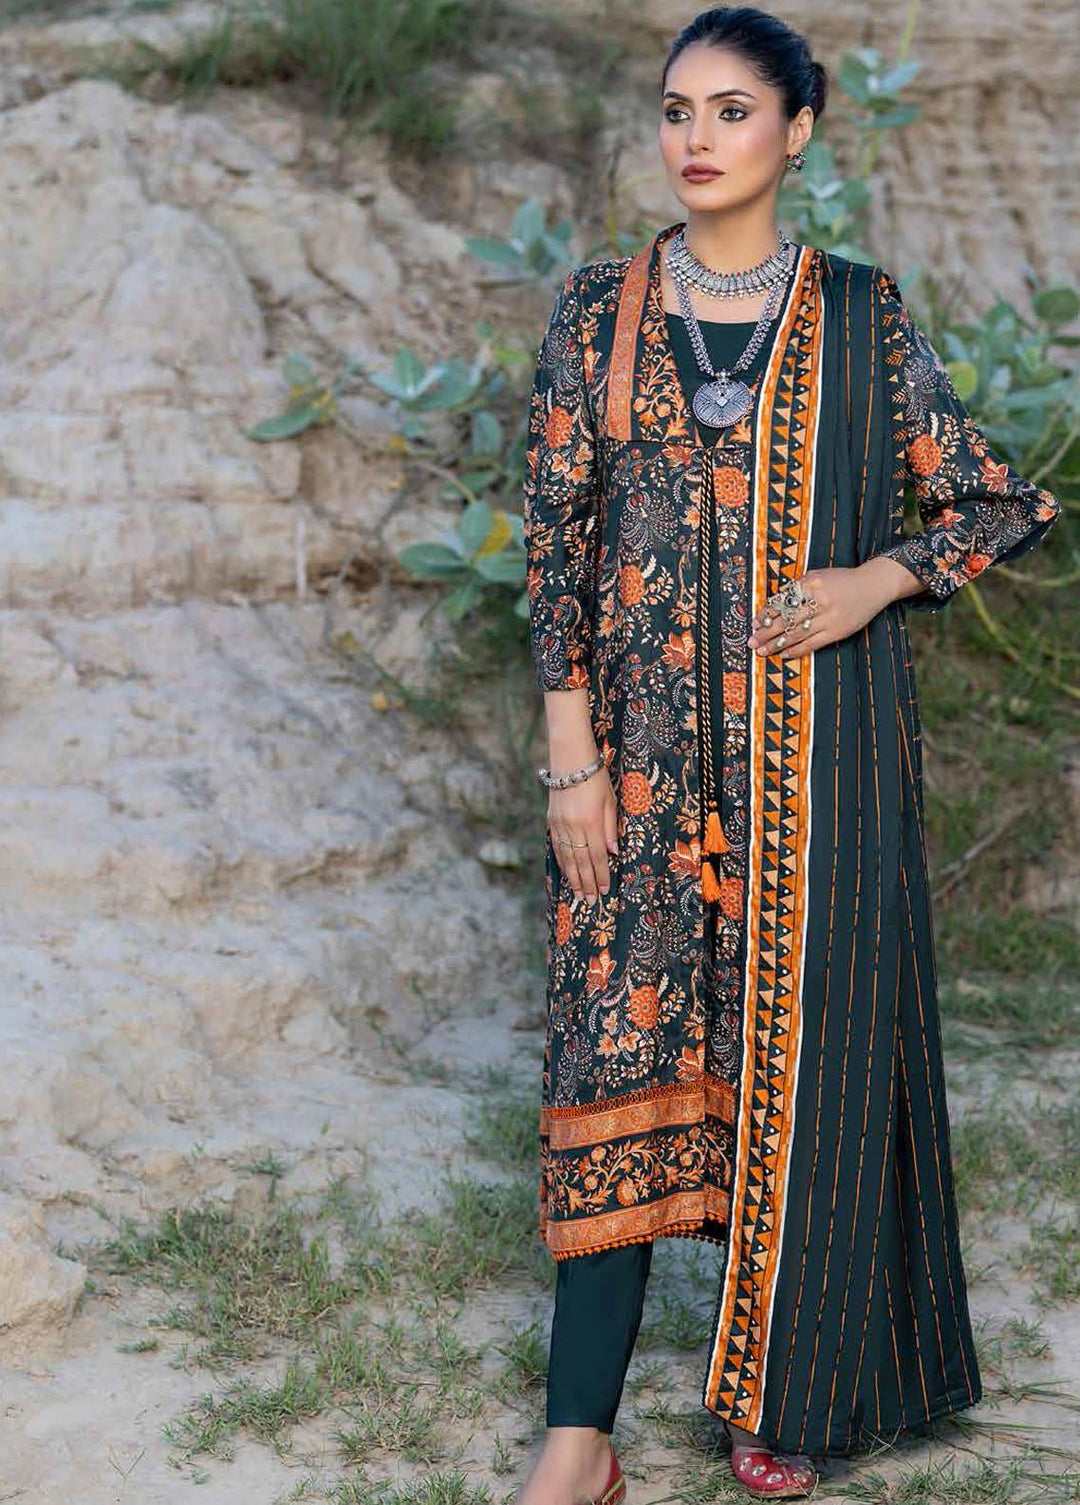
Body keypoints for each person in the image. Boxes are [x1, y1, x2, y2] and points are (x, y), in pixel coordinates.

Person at [516, 6, 1062, 1502]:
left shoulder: (864, 316)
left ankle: (789, 1388)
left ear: (798, 129)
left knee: (805, 1064)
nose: (696, 139)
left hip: (820, 774)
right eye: (676, 110)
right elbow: (554, 541)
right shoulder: (598, 311)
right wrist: (571, 754)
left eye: (732, 110)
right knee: (613, 1050)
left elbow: (998, 502)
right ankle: (579, 1435)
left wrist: (872, 582)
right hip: (633, 778)